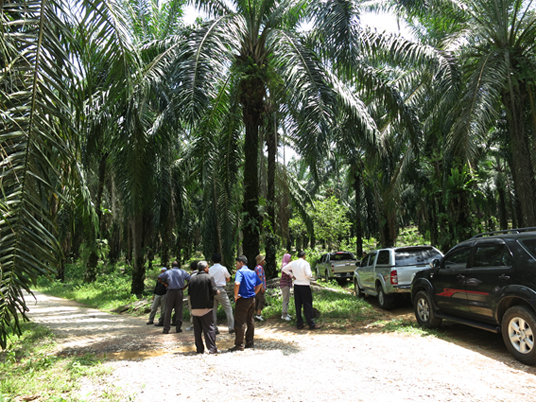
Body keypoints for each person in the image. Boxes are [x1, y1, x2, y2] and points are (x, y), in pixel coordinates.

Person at [229, 255, 262, 352]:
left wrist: (235, 295)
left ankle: (239, 344)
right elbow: (260, 284)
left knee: (239, 322)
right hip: (252, 299)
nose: (236, 265)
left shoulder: (240, 272)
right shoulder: (252, 272)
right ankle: (250, 342)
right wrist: (254, 293)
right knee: (250, 321)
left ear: (241, 263)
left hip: (242, 299)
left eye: (237, 263)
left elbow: (237, 283)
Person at [282, 250, 322, 330]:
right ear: (304, 256)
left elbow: (284, 269)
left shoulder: (293, 263)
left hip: (296, 285)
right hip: (304, 285)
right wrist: (307, 277)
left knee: (298, 305)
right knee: (307, 305)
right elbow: (309, 275)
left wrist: (291, 275)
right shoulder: (306, 263)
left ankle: (299, 323)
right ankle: (311, 323)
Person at [189, 260, 220, 354]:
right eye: (208, 267)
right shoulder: (209, 277)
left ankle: (199, 349)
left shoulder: (192, 279)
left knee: (197, 330)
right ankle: (212, 348)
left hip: (194, 308)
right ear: (205, 268)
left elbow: (189, 293)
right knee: (209, 328)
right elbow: (214, 290)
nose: (208, 268)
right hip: (206, 308)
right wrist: (218, 292)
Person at [158, 260, 191, 334]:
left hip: (170, 292)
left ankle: (166, 329)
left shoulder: (168, 272)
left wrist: (165, 283)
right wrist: (185, 286)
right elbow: (190, 279)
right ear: (178, 265)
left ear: (172, 266)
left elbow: (159, 277)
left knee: (168, 310)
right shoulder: (182, 272)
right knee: (179, 310)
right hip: (179, 292)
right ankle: (178, 328)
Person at [209, 253, 235, 335]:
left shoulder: (210, 269)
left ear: (212, 261)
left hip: (212, 290)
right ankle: (231, 327)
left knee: (213, 310)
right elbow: (228, 278)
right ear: (220, 260)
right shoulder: (223, 268)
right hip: (221, 289)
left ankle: (214, 328)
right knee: (228, 309)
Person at [185, 260, 199, 331]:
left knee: (192, 310)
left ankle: (193, 325)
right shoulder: (200, 274)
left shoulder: (190, 276)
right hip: (199, 294)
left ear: (191, 268)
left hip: (192, 295)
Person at [280, 254, 293, 321]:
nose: (291, 259)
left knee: (287, 299)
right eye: (290, 258)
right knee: (285, 300)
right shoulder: (285, 265)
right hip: (285, 284)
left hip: (286, 284)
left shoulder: (286, 264)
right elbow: (285, 275)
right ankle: (284, 314)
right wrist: (291, 275)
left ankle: (285, 313)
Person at [254, 254, 267, 321]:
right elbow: (260, 277)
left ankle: (256, 313)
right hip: (259, 287)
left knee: (257, 300)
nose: (264, 261)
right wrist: (262, 287)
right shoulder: (260, 268)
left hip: (256, 287)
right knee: (262, 300)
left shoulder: (256, 267)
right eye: (263, 260)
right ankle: (258, 314)